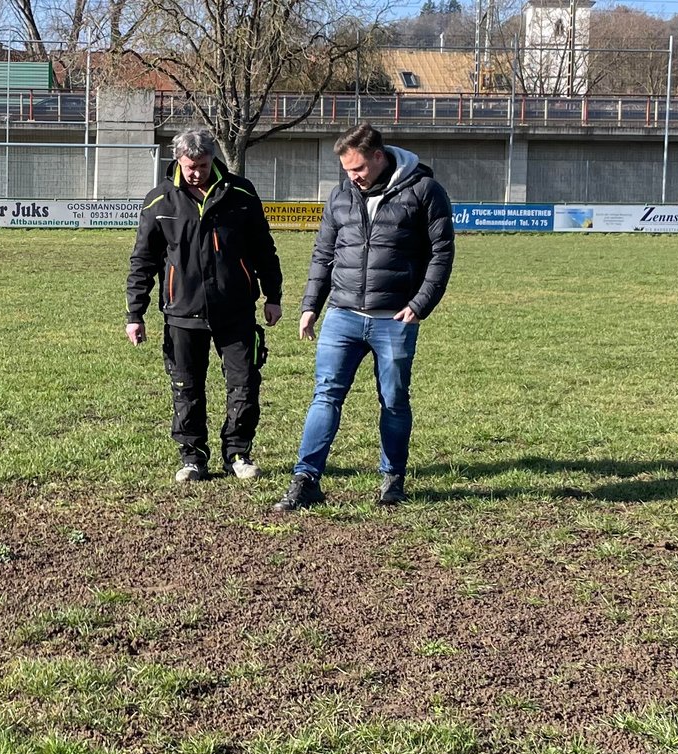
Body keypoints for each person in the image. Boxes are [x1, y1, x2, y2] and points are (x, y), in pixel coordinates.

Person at [274, 124, 454, 511]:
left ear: (378, 155)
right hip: (342, 315)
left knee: (393, 401)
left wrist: (421, 303)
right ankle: (306, 479)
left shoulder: (424, 191)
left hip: (395, 319)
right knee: (325, 396)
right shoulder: (340, 196)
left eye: (357, 168)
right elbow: (323, 254)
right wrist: (310, 306)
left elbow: (442, 253)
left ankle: (392, 479)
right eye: (346, 170)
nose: (351, 177)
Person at [125, 129, 284, 483]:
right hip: (182, 313)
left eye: (203, 164)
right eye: (190, 165)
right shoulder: (159, 201)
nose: (197, 171)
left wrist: (273, 296)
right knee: (186, 388)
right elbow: (143, 261)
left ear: (214, 159)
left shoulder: (241, 193)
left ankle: (238, 454)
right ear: (178, 160)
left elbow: (263, 249)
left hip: (236, 311)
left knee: (244, 385)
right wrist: (135, 313)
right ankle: (192, 458)